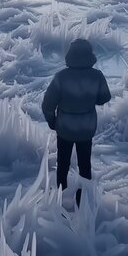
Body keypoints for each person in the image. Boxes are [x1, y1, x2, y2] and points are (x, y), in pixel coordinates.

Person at [42, 38, 111, 206]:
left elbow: (47, 104)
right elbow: (104, 98)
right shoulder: (97, 76)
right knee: (84, 164)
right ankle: (82, 200)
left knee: (63, 162)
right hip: (86, 129)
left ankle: (60, 197)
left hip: (64, 128)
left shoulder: (61, 77)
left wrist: (52, 121)